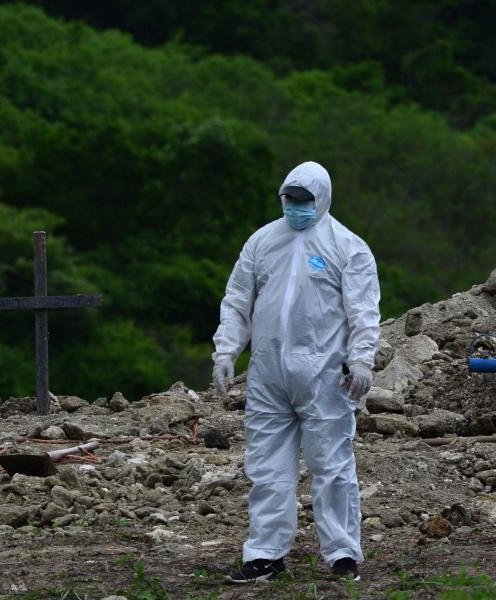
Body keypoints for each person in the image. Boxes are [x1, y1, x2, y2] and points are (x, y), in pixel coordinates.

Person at [212, 161, 380, 583]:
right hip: (268, 375)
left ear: (322, 199)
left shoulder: (348, 247)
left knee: (332, 467)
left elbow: (363, 312)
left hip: (325, 377)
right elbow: (237, 300)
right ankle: (265, 553)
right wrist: (227, 351)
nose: (297, 207)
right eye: (290, 200)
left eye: (306, 201)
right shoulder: (263, 241)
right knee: (267, 468)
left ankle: (342, 555)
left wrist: (361, 361)